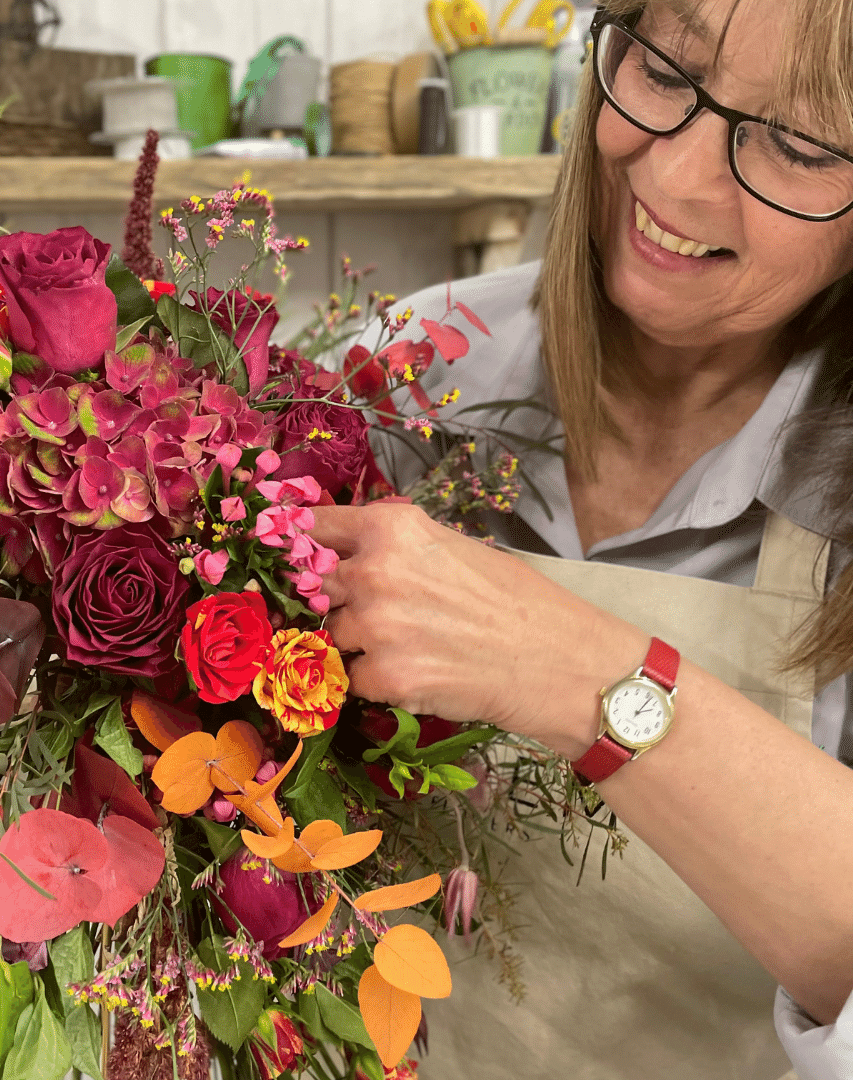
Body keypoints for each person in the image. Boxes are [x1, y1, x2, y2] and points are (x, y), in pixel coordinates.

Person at [309, 1, 853, 1078]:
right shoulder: (414, 365)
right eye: (661, 68)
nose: (677, 181)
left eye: (798, 143)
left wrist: (571, 672)